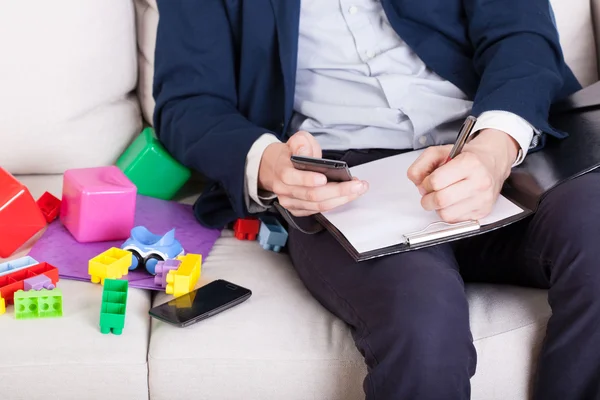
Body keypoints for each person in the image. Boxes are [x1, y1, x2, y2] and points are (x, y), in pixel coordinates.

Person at [152, 1, 600, 399]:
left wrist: (496, 144)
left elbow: (521, 34)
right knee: (420, 321)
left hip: (492, 146)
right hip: (342, 178)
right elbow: (188, 102)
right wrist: (268, 160)